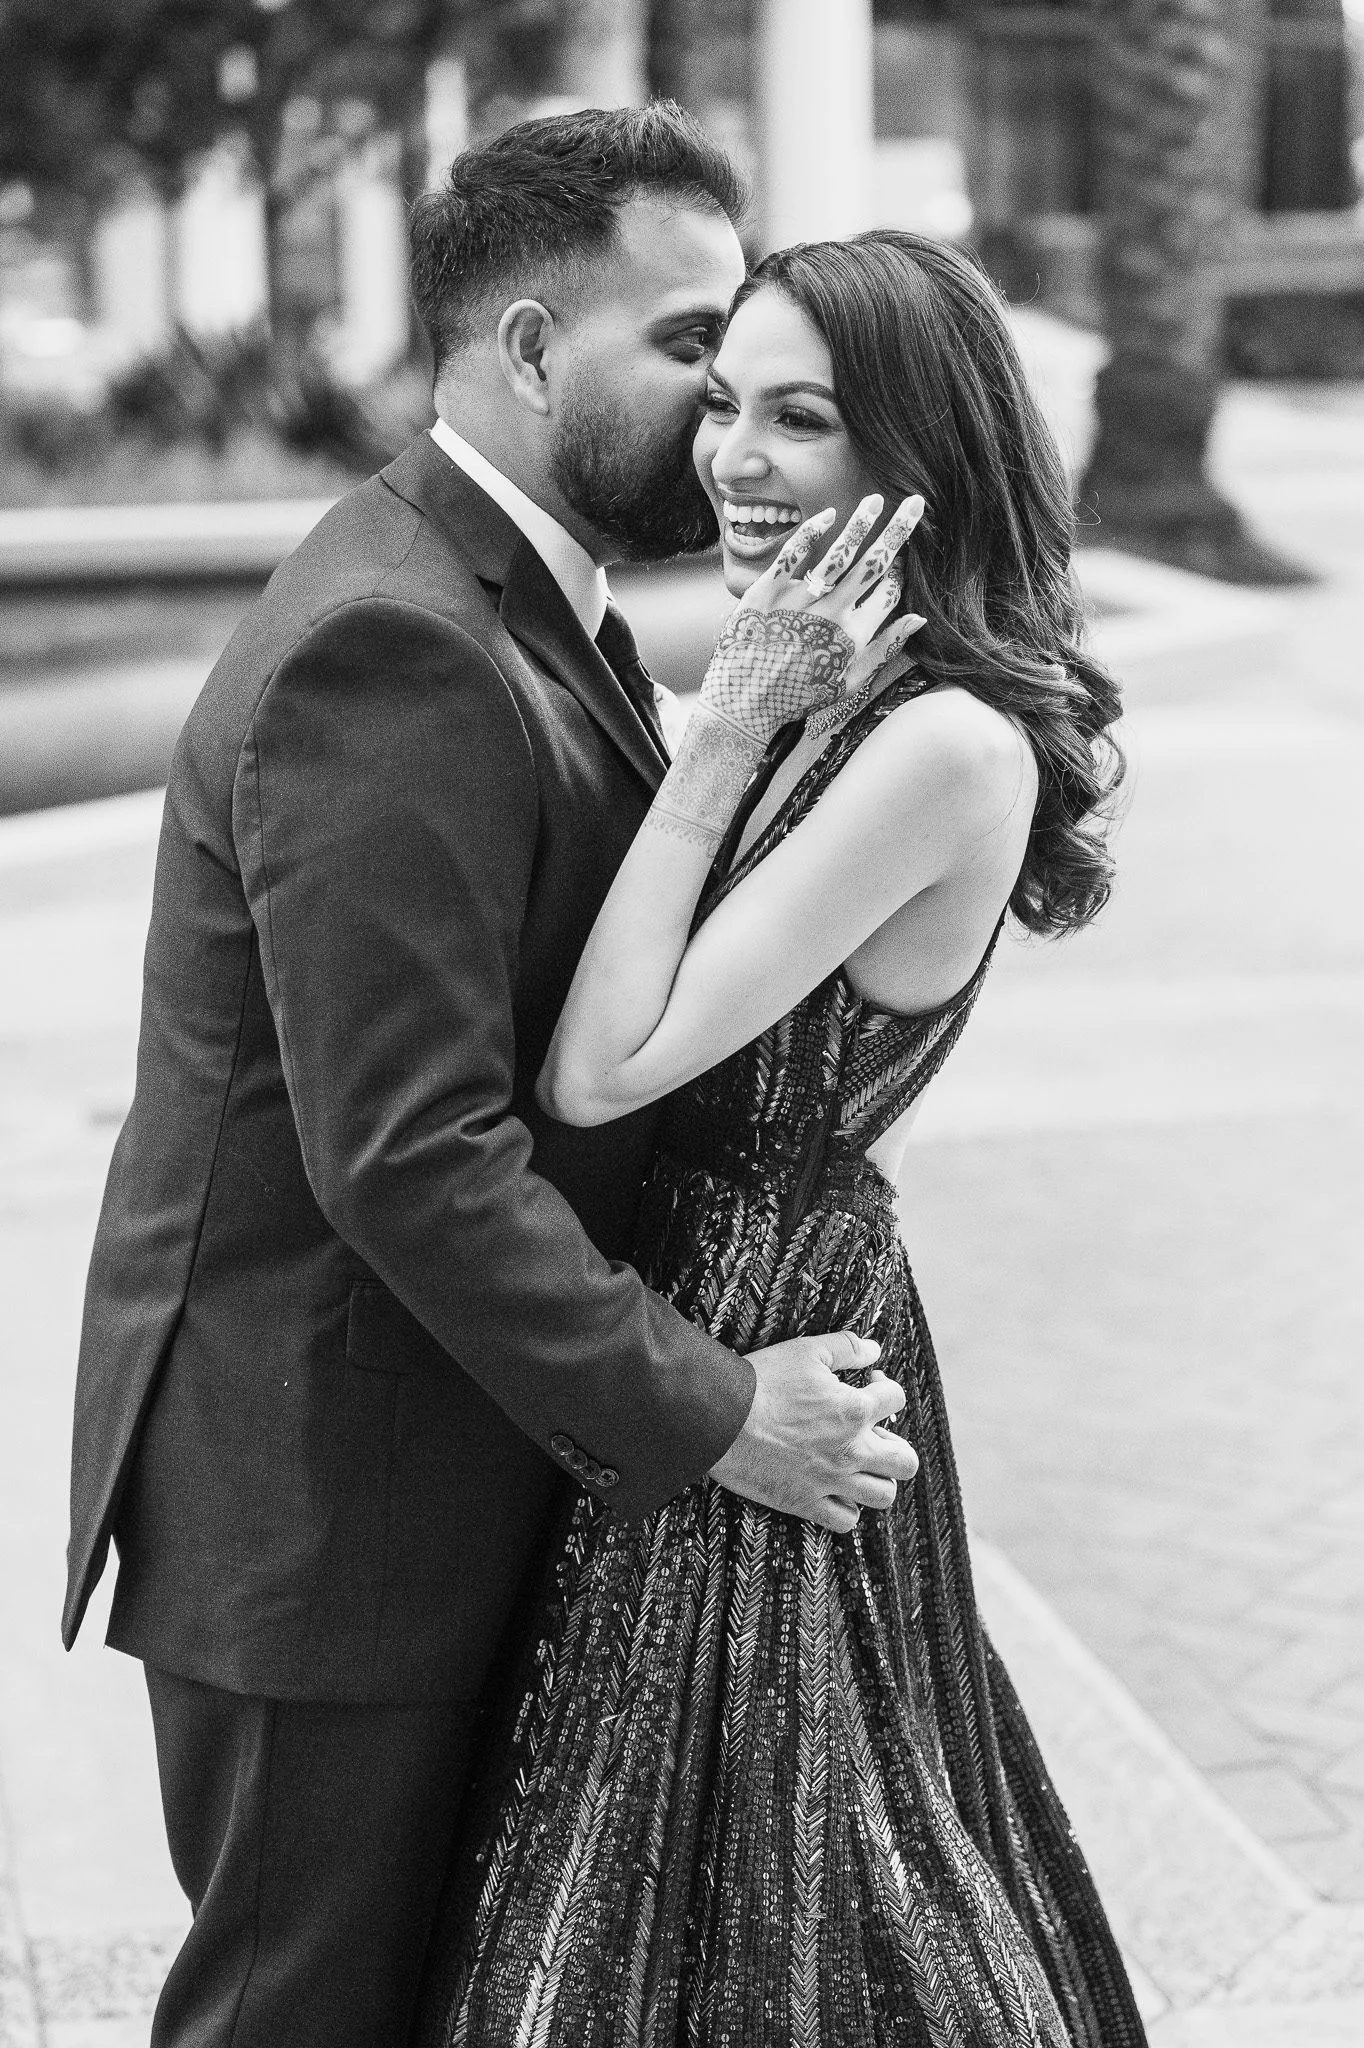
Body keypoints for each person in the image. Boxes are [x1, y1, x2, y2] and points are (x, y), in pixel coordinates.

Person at [61, 108, 919, 2048]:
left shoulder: (526, 602)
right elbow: (410, 1153)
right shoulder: (395, 639)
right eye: (690, 344)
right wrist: (718, 1412)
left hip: (425, 1477)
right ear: (530, 349)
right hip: (334, 1520)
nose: (726, 404)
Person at [418, 232, 1148, 2048]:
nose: (734, 458)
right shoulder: (837, 684)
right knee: (665, 1887)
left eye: (800, 418)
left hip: (774, 1323)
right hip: (703, 1315)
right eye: (725, 403)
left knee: (800, 1890)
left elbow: (606, 1068)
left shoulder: (944, 747)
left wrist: (720, 732)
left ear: (918, 450)